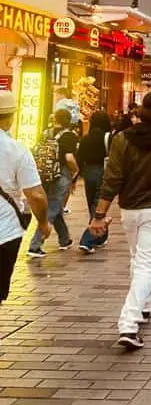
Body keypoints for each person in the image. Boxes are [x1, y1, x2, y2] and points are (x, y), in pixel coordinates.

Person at [88, 92, 151, 351]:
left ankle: (146, 305)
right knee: (146, 264)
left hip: (130, 209)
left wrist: (99, 213)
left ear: (141, 111)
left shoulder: (122, 139)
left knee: (138, 259)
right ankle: (129, 323)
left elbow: (112, 178)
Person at [0, 92, 50, 300]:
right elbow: (36, 195)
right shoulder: (17, 150)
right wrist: (43, 223)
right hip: (4, 231)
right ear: (11, 117)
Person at [28, 108, 79, 257]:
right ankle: (35, 245)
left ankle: (65, 239)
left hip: (44, 173)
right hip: (60, 174)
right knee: (52, 208)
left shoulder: (46, 132)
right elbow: (69, 158)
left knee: (54, 207)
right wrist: (76, 171)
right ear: (69, 120)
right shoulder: (69, 136)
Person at [75, 111, 111, 222]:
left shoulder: (86, 138)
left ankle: (94, 225)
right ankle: (95, 230)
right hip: (103, 170)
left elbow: (80, 157)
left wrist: (77, 175)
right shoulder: (108, 137)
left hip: (88, 172)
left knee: (91, 201)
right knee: (99, 202)